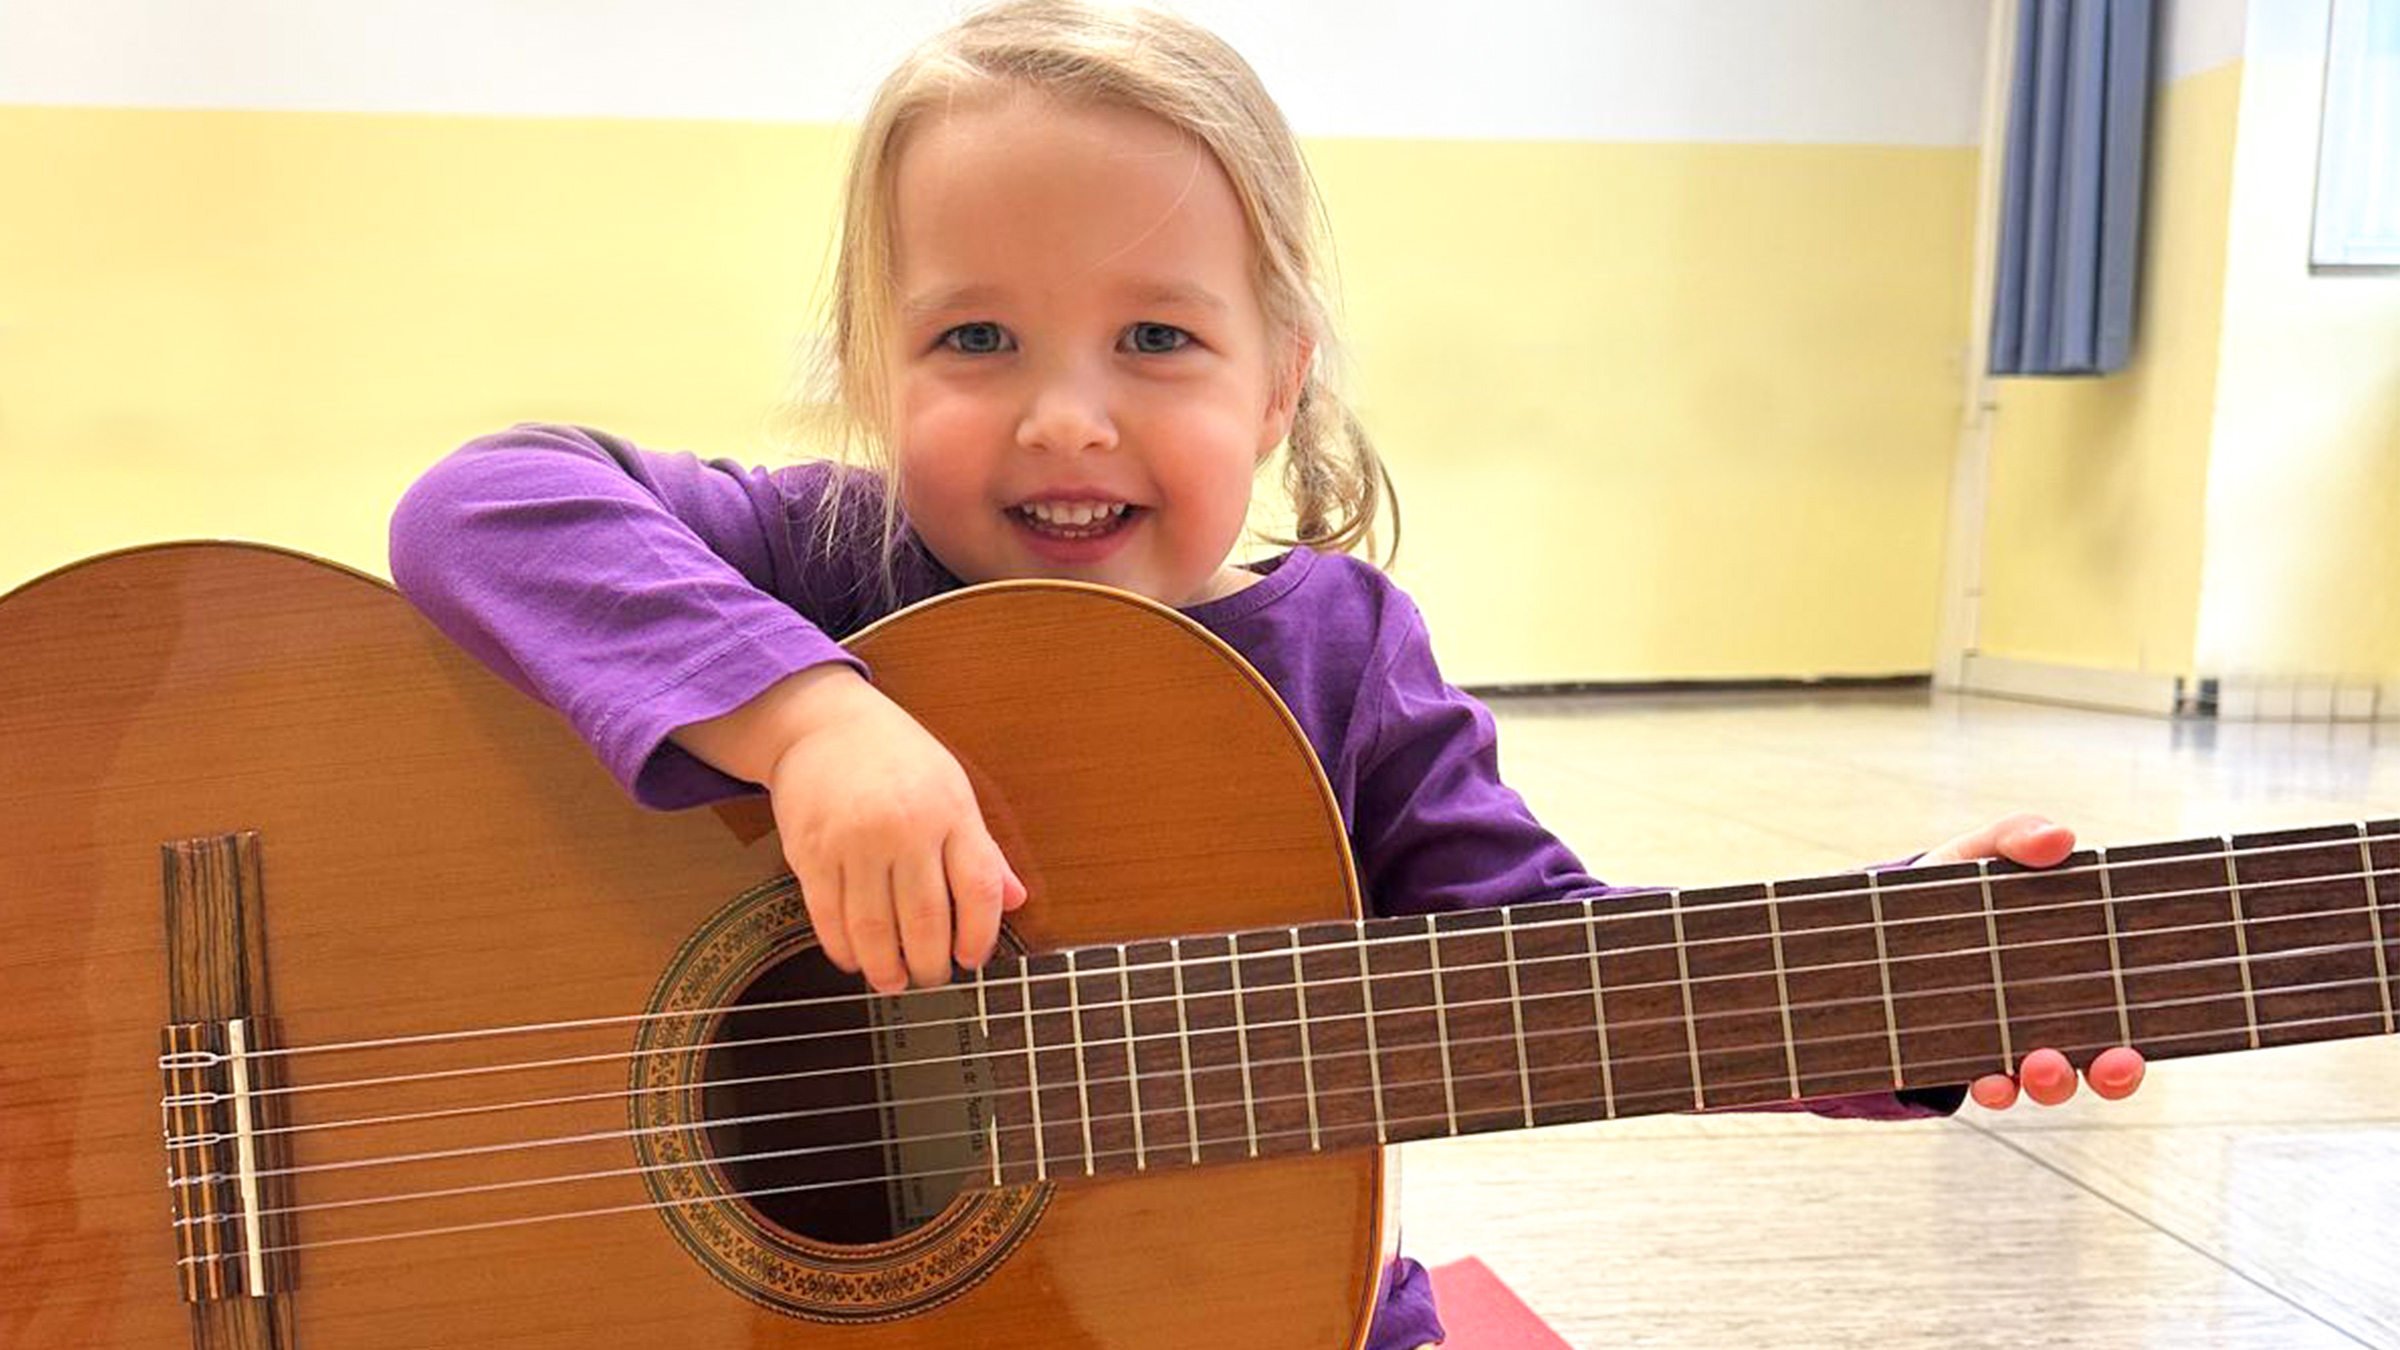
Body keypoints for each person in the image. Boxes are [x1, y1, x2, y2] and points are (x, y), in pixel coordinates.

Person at [388, 3, 2145, 1344]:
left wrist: (1901, 987)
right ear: (871, 361)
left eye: (1157, 337)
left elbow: (1559, 963)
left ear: (1280, 379)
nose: (1065, 413)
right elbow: (484, 502)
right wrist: (810, 718)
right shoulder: (821, 562)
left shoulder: (1341, 654)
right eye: (972, 337)